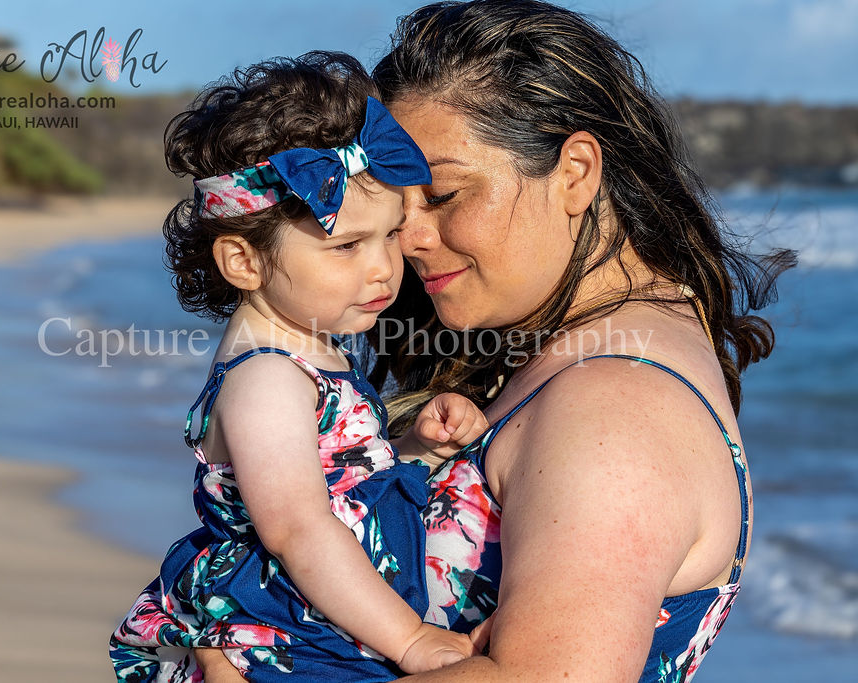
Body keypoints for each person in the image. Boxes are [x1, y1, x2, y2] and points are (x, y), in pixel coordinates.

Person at [196, 1, 795, 681]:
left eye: (444, 196)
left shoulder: (616, 410)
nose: (408, 241)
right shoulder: (580, 352)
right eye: (396, 208)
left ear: (574, 173)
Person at [109, 52, 490, 683]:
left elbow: (335, 480)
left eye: (390, 235)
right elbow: (298, 529)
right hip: (284, 628)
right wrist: (411, 638)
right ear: (243, 263)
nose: (383, 269)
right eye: (347, 246)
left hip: (333, 611)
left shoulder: (306, 350)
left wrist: (412, 444)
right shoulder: (266, 378)